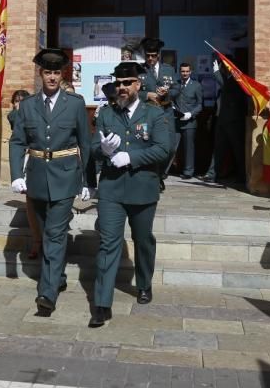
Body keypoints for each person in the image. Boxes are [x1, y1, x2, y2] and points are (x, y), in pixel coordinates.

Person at [9, 49, 92, 317]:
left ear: (62, 75)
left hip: (65, 175)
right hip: (36, 177)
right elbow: (18, 141)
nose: (53, 77)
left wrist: (88, 180)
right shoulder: (29, 105)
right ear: (40, 74)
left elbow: (85, 142)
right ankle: (57, 276)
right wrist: (16, 175)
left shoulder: (76, 104)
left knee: (55, 234)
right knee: (45, 234)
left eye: (57, 72)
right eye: (48, 72)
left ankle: (47, 293)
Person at [89, 61, 170, 327]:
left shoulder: (154, 114)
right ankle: (102, 303)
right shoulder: (106, 114)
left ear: (138, 84)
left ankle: (144, 283)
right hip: (112, 188)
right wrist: (104, 149)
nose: (121, 88)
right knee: (108, 243)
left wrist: (131, 157)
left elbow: (163, 149)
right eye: (118, 83)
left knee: (143, 239)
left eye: (127, 83)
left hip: (143, 188)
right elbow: (93, 148)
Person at [138, 38, 178, 188]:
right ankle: (153, 177)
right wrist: (147, 95)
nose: (150, 59)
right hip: (146, 114)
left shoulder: (168, 69)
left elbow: (176, 89)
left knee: (170, 147)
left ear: (158, 55)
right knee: (146, 145)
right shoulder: (139, 70)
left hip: (166, 113)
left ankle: (161, 173)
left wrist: (166, 93)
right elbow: (133, 92)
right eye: (148, 55)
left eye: (153, 55)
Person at [204, 56, 249, 186]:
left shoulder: (238, 80)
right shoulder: (229, 79)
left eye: (224, 66)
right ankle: (212, 174)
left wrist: (216, 72)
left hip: (234, 122)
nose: (224, 69)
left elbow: (225, 85)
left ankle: (242, 177)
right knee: (218, 148)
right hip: (222, 120)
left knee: (238, 150)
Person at [7, 89, 40, 259]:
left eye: (22, 100)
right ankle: (36, 241)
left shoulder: (35, 113)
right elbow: (14, 118)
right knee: (31, 202)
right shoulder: (14, 115)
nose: (19, 103)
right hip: (26, 159)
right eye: (16, 100)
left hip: (38, 158)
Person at [174, 62, 202, 180]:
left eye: (187, 71)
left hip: (189, 122)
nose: (184, 73)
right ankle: (165, 171)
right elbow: (172, 99)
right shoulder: (176, 84)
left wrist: (190, 114)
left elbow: (200, 104)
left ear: (190, 72)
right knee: (171, 147)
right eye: (182, 71)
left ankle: (188, 172)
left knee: (188, 148)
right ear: (179, 72)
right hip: (176, 121)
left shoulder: (196, 85)